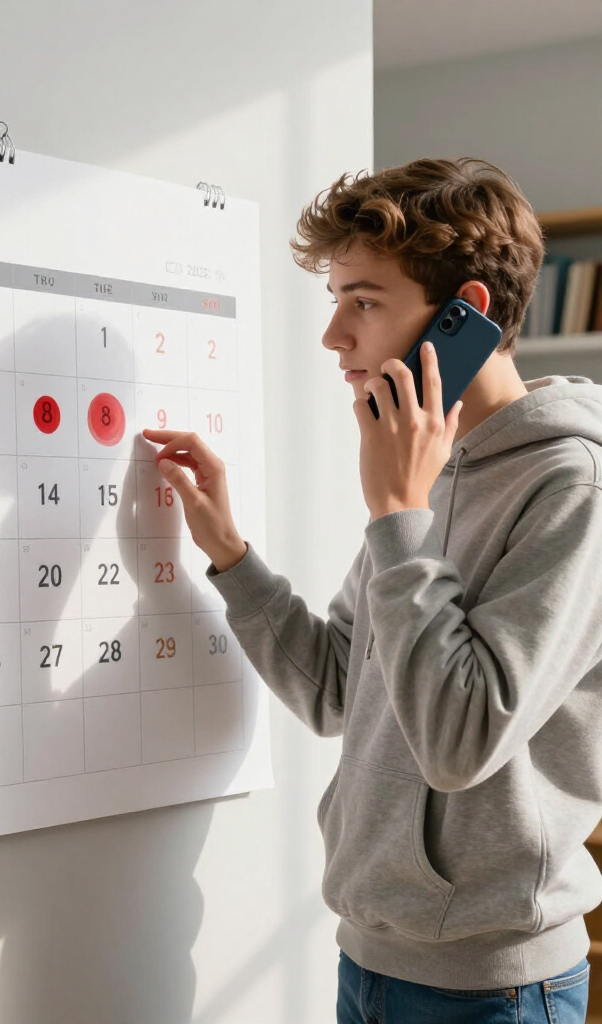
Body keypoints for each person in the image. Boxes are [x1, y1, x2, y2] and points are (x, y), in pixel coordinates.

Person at [144, 157, 602, 1023]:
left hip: (494, 985)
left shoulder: (573, 490)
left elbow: (460, 742)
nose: (334, 337)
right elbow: (336, 692)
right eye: (336, 300)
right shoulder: (433, 473)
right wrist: (231, 553)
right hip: (372, 957)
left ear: (464, 313)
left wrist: (398, 510)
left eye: (363, 301)